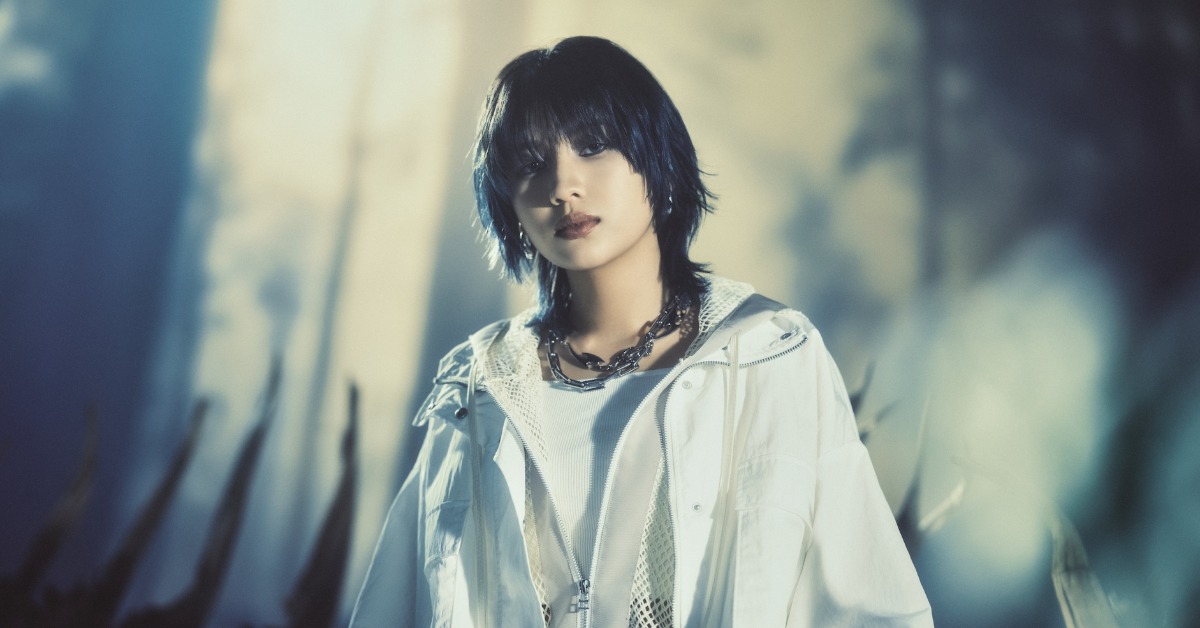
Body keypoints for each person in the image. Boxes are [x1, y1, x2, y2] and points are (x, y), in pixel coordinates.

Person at [350, 36, 932, 627]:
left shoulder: (771, 355)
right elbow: (394, 608)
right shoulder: (478, 393)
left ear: (658, 160)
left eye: (593, 146)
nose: (562, 184)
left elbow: (874, 608)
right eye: (529, 163)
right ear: (510, 207)